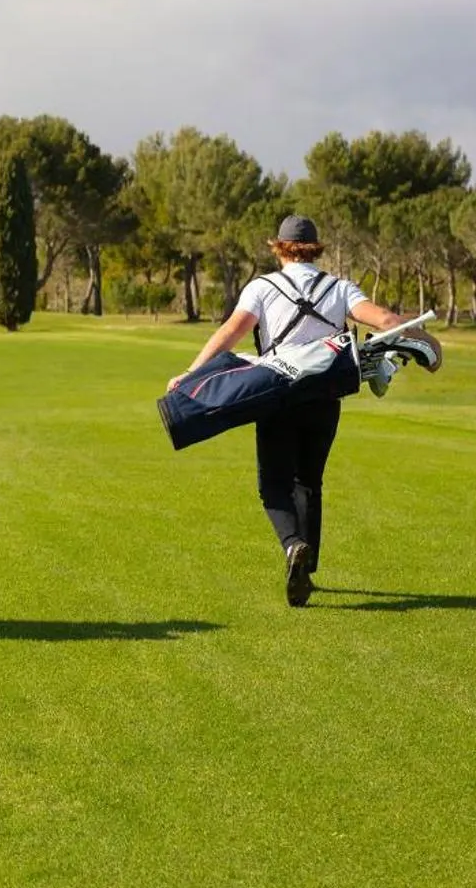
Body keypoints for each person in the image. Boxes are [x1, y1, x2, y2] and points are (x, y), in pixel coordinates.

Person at [167, 215, 443, 607]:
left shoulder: (262, 287)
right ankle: (306, 569)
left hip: (276, 392)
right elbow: (383, 320)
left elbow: (231, 332)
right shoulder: (339, 287)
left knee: (273, 485)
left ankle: (293, 545)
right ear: (316, 248)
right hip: (325, 398)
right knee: (309, 481)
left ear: (278, 248)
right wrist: (418, 335)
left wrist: (192, 373)